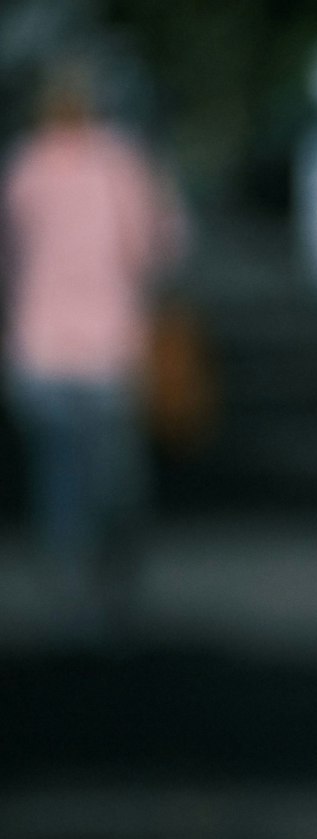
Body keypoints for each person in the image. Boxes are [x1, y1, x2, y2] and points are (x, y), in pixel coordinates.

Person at [3, 63, 184, 634]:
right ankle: (106, 590)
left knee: (60, 474)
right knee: (113, 475)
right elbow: (158, 246)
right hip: (110, 341)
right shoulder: (120, 165)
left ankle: (70, 585)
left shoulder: (24, 168)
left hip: (39, 344)